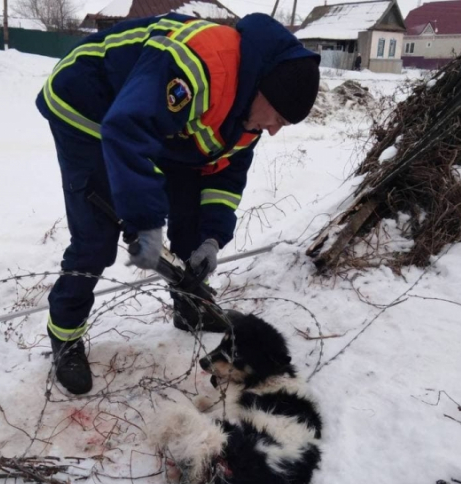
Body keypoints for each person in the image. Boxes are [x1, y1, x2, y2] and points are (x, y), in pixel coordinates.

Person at [35, 12, 321, 395]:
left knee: (191, 217)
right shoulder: (199, 65)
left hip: (160, 123)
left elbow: (224, 174)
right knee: (97, 234)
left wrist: (212, 239)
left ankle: (189, 307)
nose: (272, 130)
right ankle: (65, 335)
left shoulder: (250, 115)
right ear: (262, 90)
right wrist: (145, 224)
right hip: (89, 105)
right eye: (278, 118)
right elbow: (126, 130)